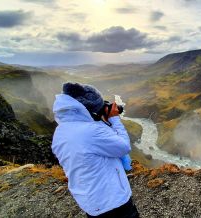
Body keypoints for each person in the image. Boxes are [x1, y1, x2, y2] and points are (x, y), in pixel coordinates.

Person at [51, 82, 139, 217]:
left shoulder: (60, 131)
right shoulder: (91, 131)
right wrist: (114, 119)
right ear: (89, 111)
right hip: (112, 201)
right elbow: (123, 147)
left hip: (91, 201)